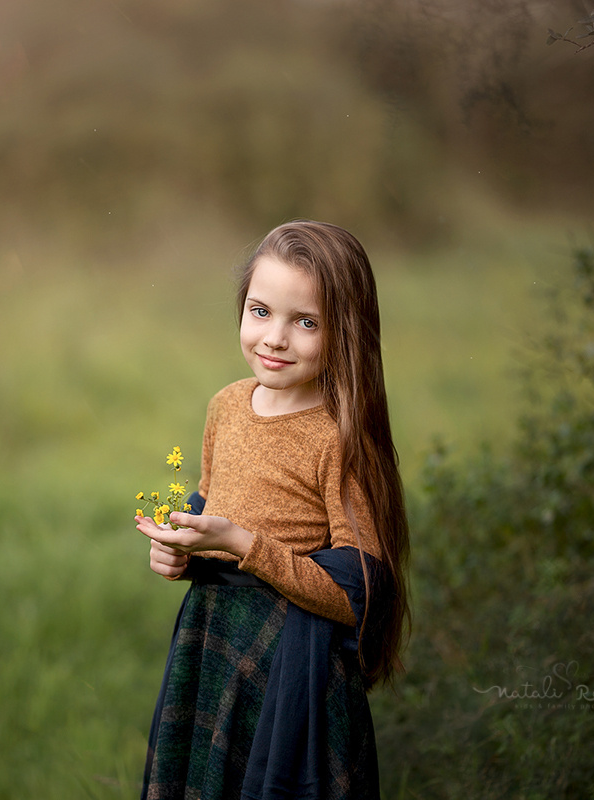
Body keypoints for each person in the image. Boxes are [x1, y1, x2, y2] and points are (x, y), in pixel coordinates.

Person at [134, 220, 411, 800]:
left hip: (293, 667)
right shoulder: (227, 406)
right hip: (213, 641)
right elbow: (213, 504)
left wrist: (244, 545)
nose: (275, 338)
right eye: (260, 311)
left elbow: (356, 591)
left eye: (305, 322)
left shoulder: (339, 438)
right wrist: (180, 551)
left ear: (346, 333)